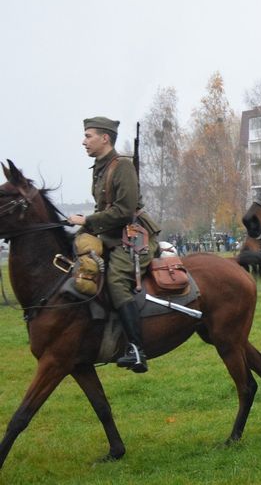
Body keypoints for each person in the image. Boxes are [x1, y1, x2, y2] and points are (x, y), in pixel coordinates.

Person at [66, 117, 160, 373]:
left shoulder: (122, 167)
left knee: (116, 280)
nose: (84, 141)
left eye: (88, 136)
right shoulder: (99, 168)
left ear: (105, 138)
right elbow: (102, 210)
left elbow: (124, 210)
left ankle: (137, 350)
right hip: (111, 236)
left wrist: (87, 220)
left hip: (135, 236)